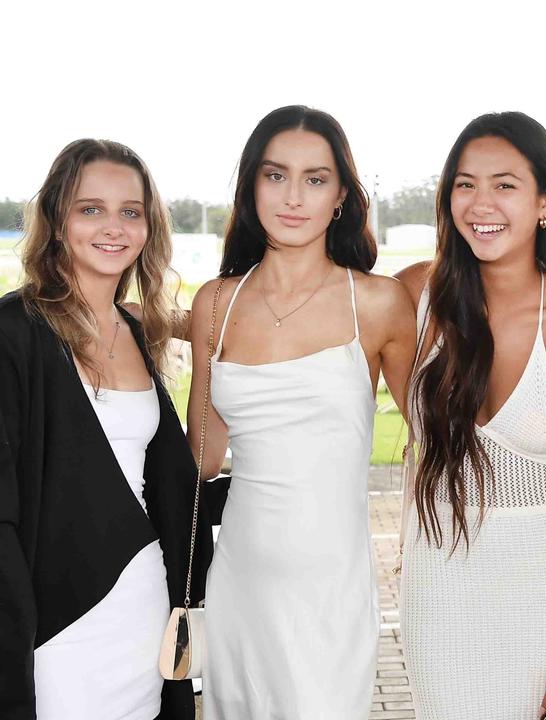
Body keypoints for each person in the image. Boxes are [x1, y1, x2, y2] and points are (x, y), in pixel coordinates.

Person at [187, 106, 418, 719]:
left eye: (315, 179)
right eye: (275, 175)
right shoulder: (215, 304)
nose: (293, 197)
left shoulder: (377, 302)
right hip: (240, 580)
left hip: (330, 589)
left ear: (341, 194)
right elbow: (202, 458)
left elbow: (435, 433)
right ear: (250, 185)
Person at [395, 111, 546, 720]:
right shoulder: (415, 298)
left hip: (541, 586)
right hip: (437, 585)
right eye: (465, 184)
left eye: (505, 184)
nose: (480, 202)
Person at [0, 139, 213, 719]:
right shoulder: (13, 333)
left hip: (143, 604)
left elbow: (164, 482)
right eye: (90, 208)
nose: (113, 226)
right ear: (56, 219)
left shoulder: (136, 330)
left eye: (131, 211)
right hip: (55, 620)